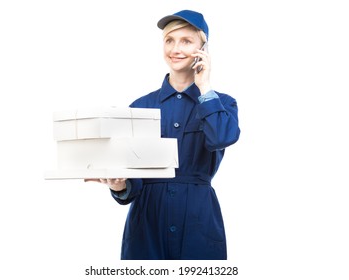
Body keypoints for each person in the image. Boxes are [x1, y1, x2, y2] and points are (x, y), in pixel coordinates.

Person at [86, 10, 240, 260]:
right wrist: (120, 184)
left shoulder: (221, 102)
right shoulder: (140, 106)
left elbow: (222, 137)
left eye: (186, 41)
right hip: (147, 223)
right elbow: (132, 179)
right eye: (169, 40)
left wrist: (205, 87)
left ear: (204, 49)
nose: (175, 48)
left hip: (198, 220)